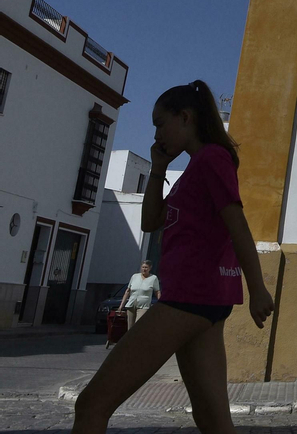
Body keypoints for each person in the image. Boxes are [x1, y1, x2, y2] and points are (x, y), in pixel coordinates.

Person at [72, 81, 274, 434]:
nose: (156, 134)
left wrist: (258, 288)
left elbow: (237, 223)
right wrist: (158, 168)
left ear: (185, 118)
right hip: (202, 302)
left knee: (91, 405)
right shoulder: (195, 168)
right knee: (212, 420)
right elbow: (151, 221)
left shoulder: (211, 158)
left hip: (190, 298)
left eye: (159, 123)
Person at [117, 261, 160, 333]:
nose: (144, 269)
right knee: (130, 328)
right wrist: (121, 306)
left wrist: (160, 303)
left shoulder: (153, 278)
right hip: (131, 304)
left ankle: (137, 342)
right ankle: (130, 343)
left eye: (146, 267)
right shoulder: (135, 276)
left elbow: (157, 292)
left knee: (138, 325)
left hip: (143, 306)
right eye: (143, 267)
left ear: (150, 268)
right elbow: (128, 291)